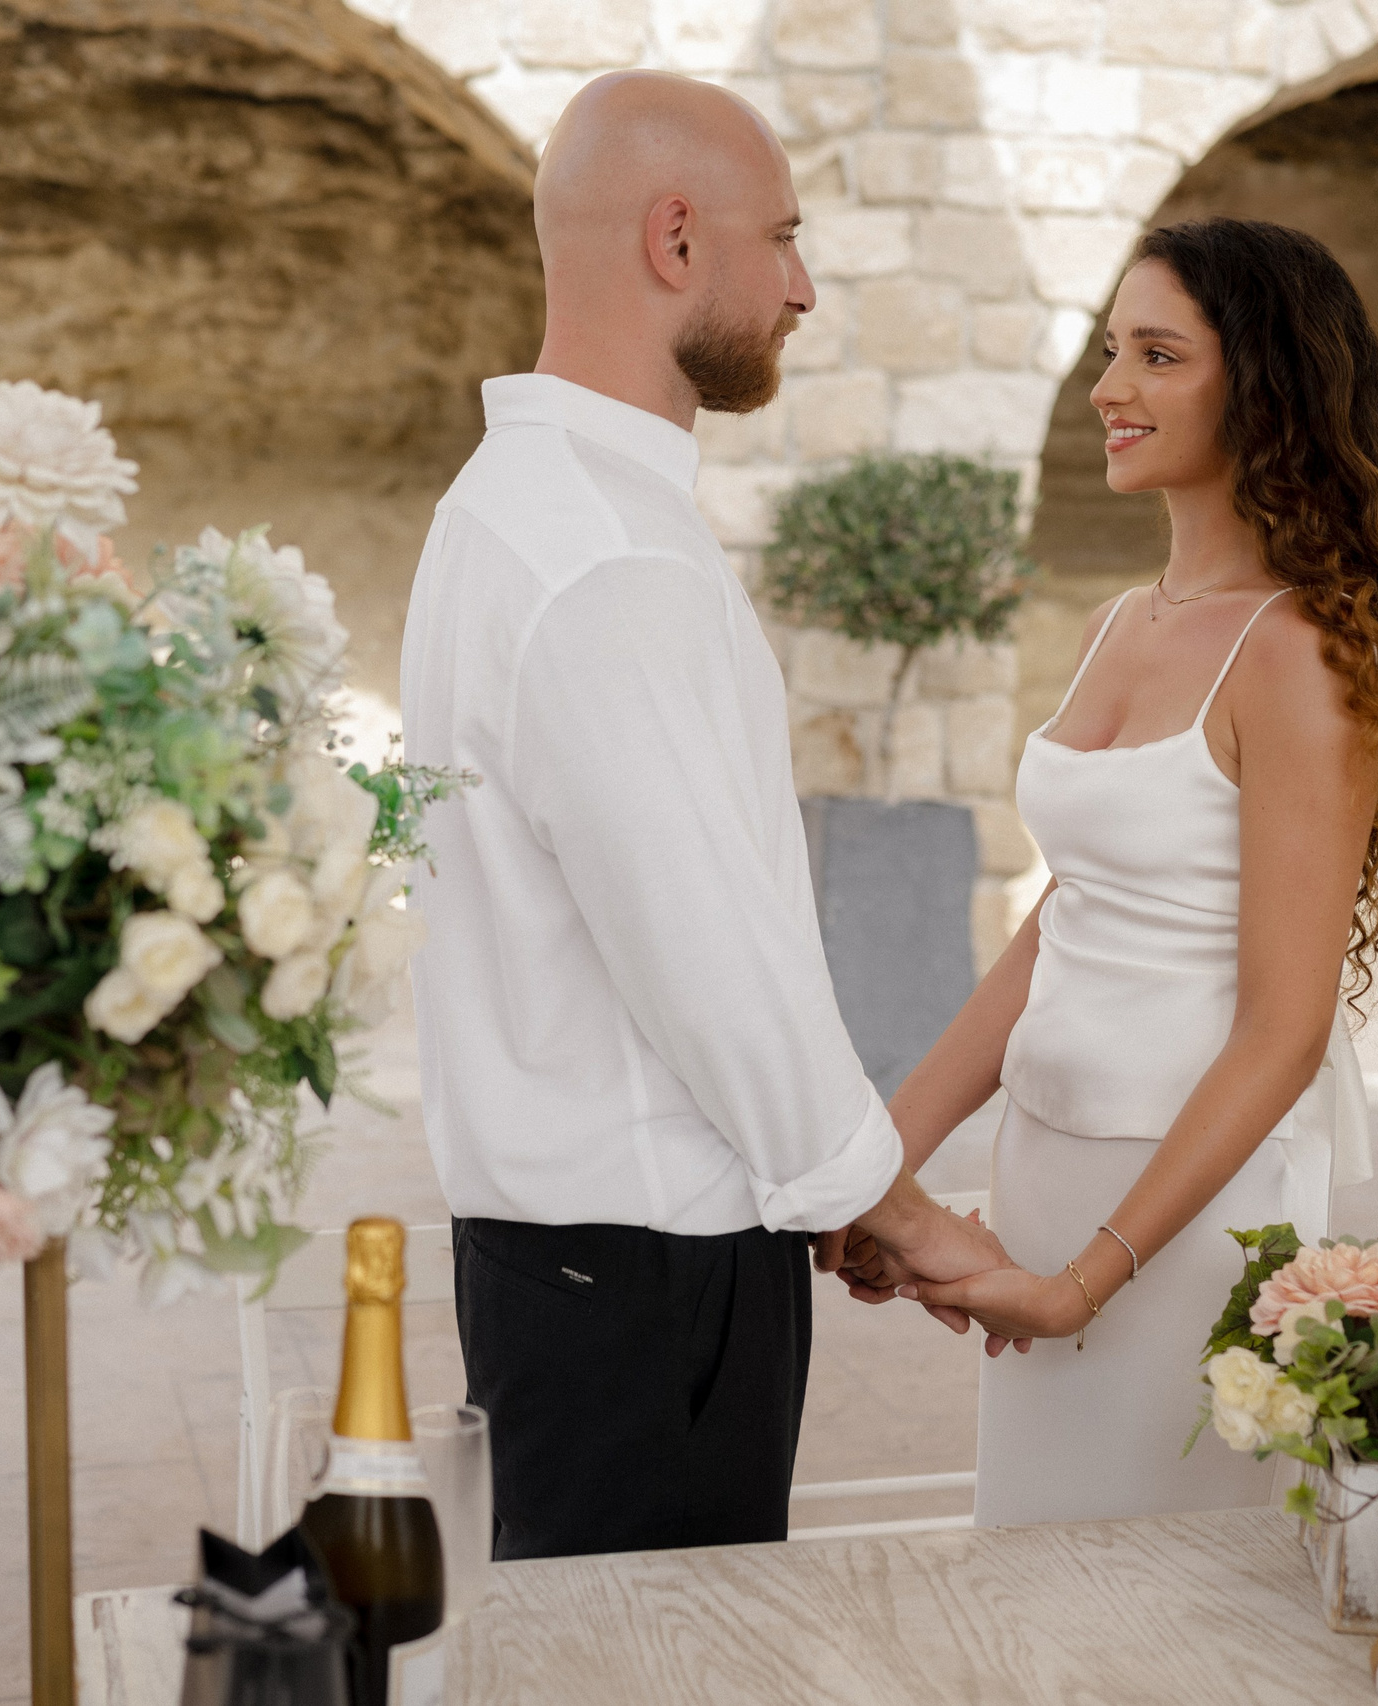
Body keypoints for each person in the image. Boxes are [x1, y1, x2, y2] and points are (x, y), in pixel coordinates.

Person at [397, 70, 1006, 1562]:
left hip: (568, 1267)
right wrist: (905, 1214)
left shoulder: (512, 502)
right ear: (676, 240)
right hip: (648, 1284)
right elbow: (711, 959)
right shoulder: (604, 553)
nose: (802, 288)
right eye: (783, 239)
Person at [866, 218, 1378, 1525]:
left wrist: (1085, 1279)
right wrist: (879, 1161)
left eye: (1156, 354)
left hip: (1192, 1209)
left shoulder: (1301, 658)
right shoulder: (1112, 626)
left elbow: (1284, 1030)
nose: (1108, 389)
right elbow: (1058, 927)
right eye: (1108, 350)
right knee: (1031, 1567)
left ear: (1258, 386)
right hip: (1046, 1163)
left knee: (1172, 1588)